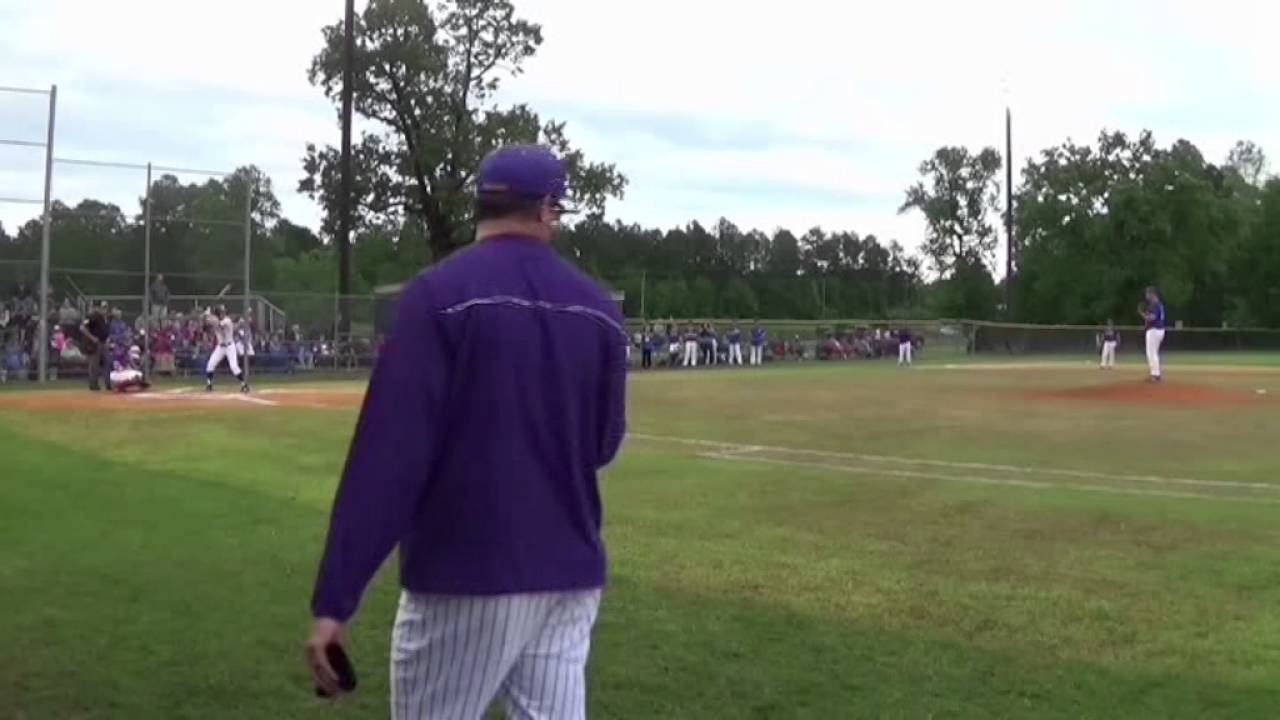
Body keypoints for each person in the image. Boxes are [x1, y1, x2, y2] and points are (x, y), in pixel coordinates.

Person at [306, 144, 628, 718]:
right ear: (549, 209)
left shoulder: (437, 295)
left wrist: (337, 599)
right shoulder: (599, 308)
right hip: (571, 574)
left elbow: (390, 458)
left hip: (467, 573)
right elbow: (603, 443)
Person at [203, 305, 249, 393]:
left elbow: (219, 325)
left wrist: (208, 316)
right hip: (220, 347)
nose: (223, 314)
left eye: (223, 312)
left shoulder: (227, 321)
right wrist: (206, 317)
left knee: (234, 367)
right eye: (221, 312)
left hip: (230, 346)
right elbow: (205, 328)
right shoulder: (214, 319)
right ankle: (209, 385)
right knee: (210, 364)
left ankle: (244, 385)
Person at [80, 302, 112, 391]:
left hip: (103, 343)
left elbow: (106, 330)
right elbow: (82, 327)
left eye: (106, 307)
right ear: (98, 308)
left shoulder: (106, 318)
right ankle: (93, 384)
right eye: (102, 307)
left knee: (107, 362)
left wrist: (108, 339)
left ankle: (108, 383)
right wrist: (92, 337)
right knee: (94, 365)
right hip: (95, 344)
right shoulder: (93, 316)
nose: (104, 309)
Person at [1140, 286, 1166, 381]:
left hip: (1154, 330)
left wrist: (1143, 315)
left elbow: (1152, 317)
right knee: (1153, 352)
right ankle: (1155, 373)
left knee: (1151, 352)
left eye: (1148, 293)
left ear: (1152, 294)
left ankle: (1155, 374)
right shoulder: (1159, 304)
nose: (1146, 295)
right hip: (1159, 330)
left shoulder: (1155, 305)